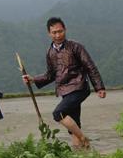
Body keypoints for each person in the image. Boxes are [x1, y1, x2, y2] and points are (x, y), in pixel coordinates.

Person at [22, 17, 106, 148]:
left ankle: (84, 138)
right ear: (49, 34)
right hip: (64, 91)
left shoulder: (75, 47)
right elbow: (51, 74)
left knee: (58, 113)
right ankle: (80, 154)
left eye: (60, 31)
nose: (58, 35)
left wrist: (99, 87)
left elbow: (90, 66)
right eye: (54, 32)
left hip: (79, 87)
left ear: (65, 30)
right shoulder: (50, 52)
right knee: (74, 123)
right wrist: (33, 79)